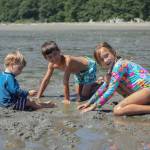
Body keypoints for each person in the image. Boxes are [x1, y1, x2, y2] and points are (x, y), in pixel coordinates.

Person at [78, 42, 150, 116]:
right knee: (113, 83)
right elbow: (104, 87)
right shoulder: (111, 70)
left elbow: (111, 91)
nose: (105, 60)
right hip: (143, 93)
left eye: (106, 56)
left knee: (117, 110)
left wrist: (94, 106)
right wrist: (89, 103)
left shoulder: (119, 65)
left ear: (113, 52)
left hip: (147, 90)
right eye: (101, 60)